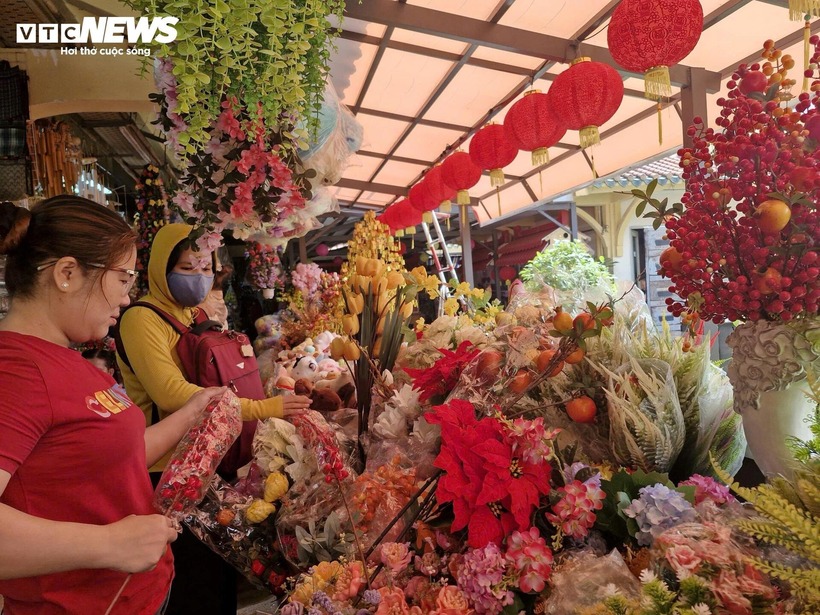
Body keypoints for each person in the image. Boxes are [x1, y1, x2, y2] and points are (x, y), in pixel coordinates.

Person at [0, 196, 223, 614]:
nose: (126, 298)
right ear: (67, 274)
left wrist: (194, 412)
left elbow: (115, 458)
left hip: (142, 594)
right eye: (123, 279)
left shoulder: (67, 356)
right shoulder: (16, 372)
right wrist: (108, 543)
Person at [116, 222, 311, 615]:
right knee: (193, 582)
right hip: (170, 469)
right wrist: (261, 408)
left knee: (224, 572)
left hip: (213, 460)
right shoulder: (142, 319)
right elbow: (173, 394)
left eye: (206, 267)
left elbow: (222, 376)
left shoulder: (195, 314)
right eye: (187, 268)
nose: (199, 277)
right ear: (160, 268)